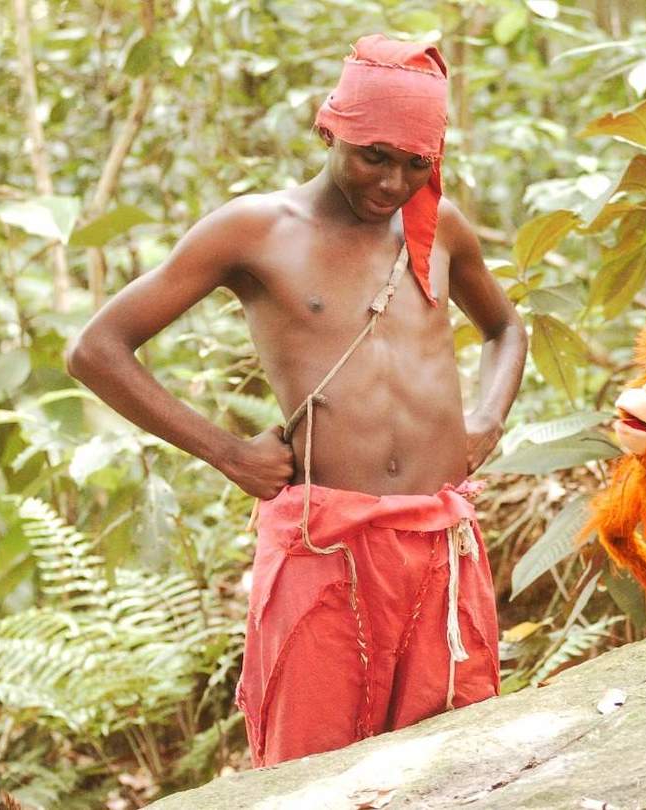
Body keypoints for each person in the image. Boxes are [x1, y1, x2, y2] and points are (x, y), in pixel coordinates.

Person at [66, 34, 527, 767]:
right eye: (373, 155)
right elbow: (97, 349)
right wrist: (228, 453)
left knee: (455, 763)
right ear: (327, 126)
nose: (392, 182)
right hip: (325, 550)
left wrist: (487, 420)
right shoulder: (256, 230)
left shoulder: (440, 228)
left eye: (416, 163)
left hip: (439, 544)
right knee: (310, 767)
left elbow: (505, 328)